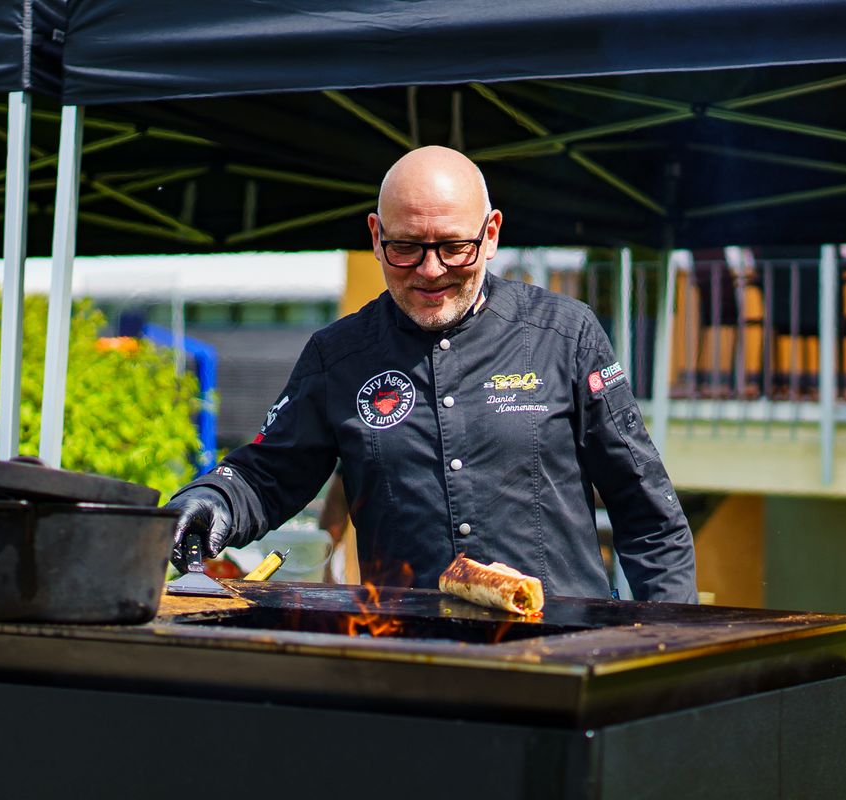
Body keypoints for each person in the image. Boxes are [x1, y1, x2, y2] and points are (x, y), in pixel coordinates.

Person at [166, 146, 696, 602]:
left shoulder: (566, 335)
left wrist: (675, 650)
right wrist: (213, 500)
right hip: (413, 659)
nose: (430, 270)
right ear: (376, 237)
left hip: (564, 652)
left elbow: (649, 516)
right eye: (406, 248)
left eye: (453, 246)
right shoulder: (338, 355)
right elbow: (268, 475)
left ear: (490, 235)